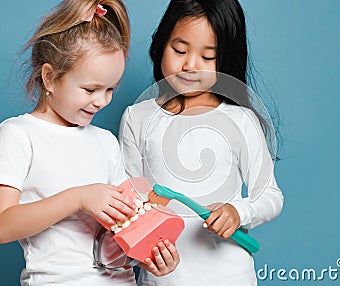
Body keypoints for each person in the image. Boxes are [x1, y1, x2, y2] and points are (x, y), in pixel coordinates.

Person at [0, 1, 179, 285]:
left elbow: (120, 234)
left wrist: (149, 255)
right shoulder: (19, 135)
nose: (102, 101)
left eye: (110, 89)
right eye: (90, 89)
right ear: (50, 77)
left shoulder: (106, 142)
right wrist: (78, 199)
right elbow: (2, 224)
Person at [119, 0, 284, 285]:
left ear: (226, 61)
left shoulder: (241, 120)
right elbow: (129, 201)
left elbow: (270, 197)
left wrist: (238, 211)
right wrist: (143, 251)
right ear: (161, 44)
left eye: (208, 57)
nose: (190, 65)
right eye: (180, 50)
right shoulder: (138, 117)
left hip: (230, 276)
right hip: (163, 278)